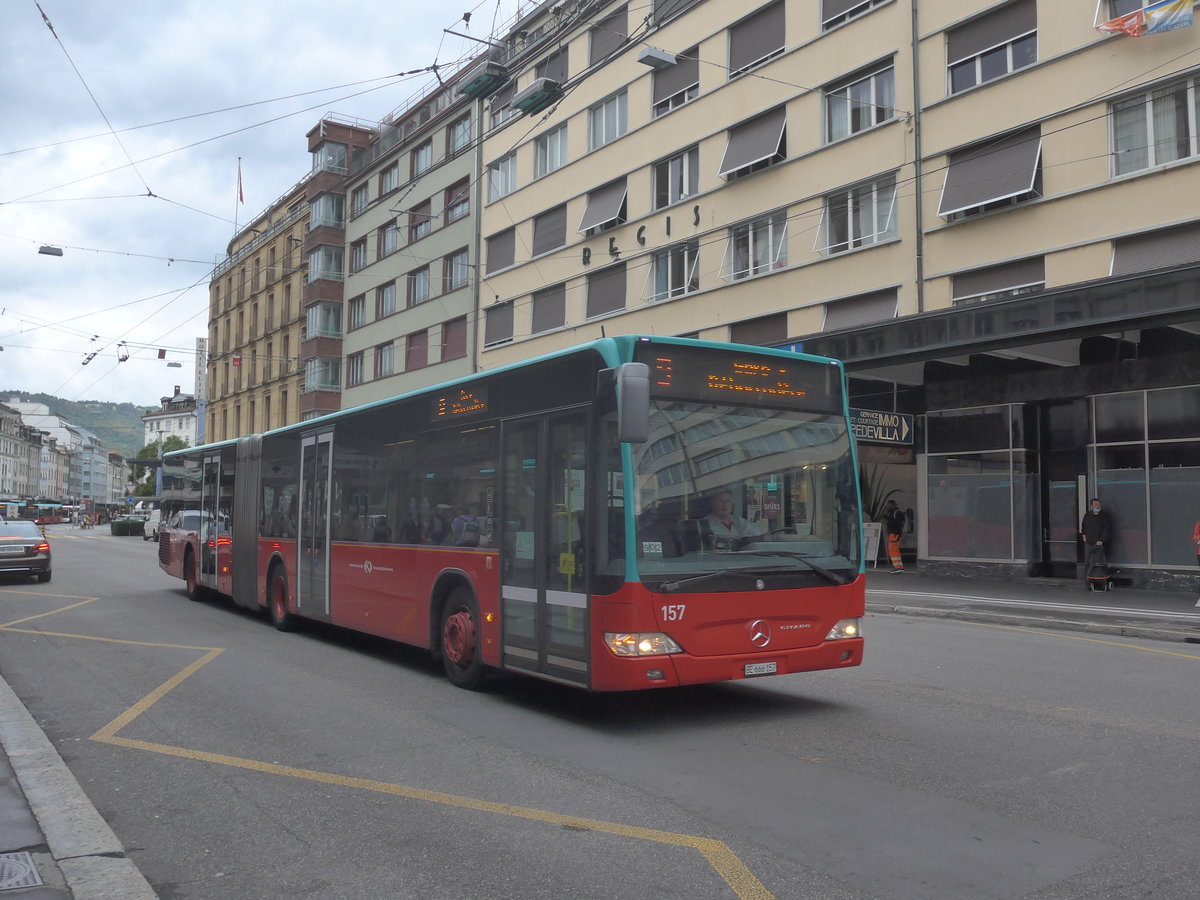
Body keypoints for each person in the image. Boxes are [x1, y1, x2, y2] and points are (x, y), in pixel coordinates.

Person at [1079, 497, 1112, 585]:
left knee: (1101, 561)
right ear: (1091, 506)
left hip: (1099, 543)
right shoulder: (1087, 515)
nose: (1097, 506)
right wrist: (1084, 535)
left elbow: (1106, 529)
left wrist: (1101, 540)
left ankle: (1101, 580)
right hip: (1089, 542)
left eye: (1098, 505)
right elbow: (1084, 526)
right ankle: (1088, 581)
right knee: (1088, 562)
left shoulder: (1104, 516)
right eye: (1095, 505)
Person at [882, 499, 906, 572]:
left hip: (894, 533)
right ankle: (900, 566)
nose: (887, 507)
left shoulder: (896, 513)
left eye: (888, 506)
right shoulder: (894, 513)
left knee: (892, 550)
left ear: (892, 505)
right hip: (896, 534)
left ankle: (897, 567)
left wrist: (887, 523)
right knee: (895, 550)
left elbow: (897, 524)